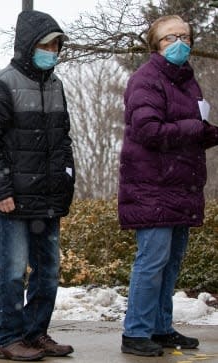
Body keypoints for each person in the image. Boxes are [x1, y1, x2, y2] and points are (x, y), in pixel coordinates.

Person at [0, 10, 75, 361]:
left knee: (48, 273)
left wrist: (66, 183)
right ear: (28, 44)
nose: (52, 51)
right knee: (14, 274)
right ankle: (9, 338)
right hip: (12, 202)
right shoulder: (3, 83)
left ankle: (36, 333)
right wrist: (1, 191)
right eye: (46, 44)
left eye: (56, 45)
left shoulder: (57, 85)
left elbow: (64, 142)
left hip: (48, 200)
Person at [117, 15, 218, 357]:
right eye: (170, 38)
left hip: (181, 187)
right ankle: (136, 332)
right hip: (152, 187)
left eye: (185, 37)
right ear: (155, 45)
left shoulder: (188, 82)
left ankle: (160, 327)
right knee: (152, 261)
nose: (180, 43)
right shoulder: (145, 80)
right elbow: (149, 131)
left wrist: (208, 132)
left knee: (170, 262)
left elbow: (192, 129)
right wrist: (193, 127)